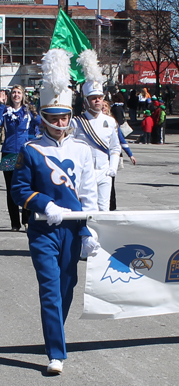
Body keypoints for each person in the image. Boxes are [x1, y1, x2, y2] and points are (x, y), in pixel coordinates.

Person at [10, 48, 99, 375]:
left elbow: (89, 194)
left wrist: (89, 231)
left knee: (66, 287)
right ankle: (56, 352)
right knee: (49, 289)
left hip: (73, 229)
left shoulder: (81, 149)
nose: (60, 123)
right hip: (43, 228)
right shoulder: (30, 147)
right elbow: (18, 188)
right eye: (54, 116)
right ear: (44, 116)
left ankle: (54, 333)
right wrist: (43, 203)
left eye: (64, 116)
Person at [70, 49, 121, 211]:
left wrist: (112, 167)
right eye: (93, 98)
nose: (98, 100)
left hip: (104, 171)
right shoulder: (77, 123)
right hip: (86, 172)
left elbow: (115, 147)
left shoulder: (110, 121)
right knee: (87, 209)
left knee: (104, 209)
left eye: (99, 97)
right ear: (86, 101)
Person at [0, 84, 38, 231]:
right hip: (8, 153)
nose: (16, 95)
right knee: (10, 189)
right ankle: (15, 223)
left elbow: (40, 123)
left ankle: (26, 220)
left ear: (23, 96)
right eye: (14, 92)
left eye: (19, 93)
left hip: (24, 153)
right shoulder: (4, 110)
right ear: (10, 95)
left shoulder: (28, 111)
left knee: (26, 186)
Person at [103, 100, 136, 211]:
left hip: (110, 158)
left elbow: (121, 139)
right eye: (102, 106)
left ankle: (111, 206)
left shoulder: (113, 122)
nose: (103, 108)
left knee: (110, 183)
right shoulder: (91, 121)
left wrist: (130, 155)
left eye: (105, 106)